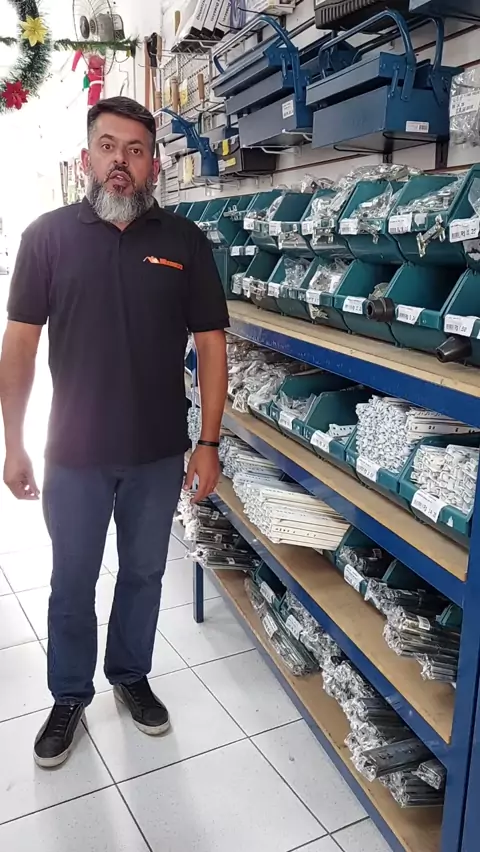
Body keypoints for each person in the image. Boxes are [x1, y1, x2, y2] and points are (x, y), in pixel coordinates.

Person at [0, 96, 229, 768]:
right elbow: (19, 344)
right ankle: (69, 694)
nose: (120, 161)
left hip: (158, 451)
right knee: (71, 581)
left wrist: (209, 443)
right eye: (108, 146)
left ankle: (130, 674)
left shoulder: (184, 241)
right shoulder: (46, 237)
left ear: (154, 163)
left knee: (146, 572)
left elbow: (212, 345)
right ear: (86, 158)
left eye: (135, 149)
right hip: (73, 451)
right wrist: (13, 442)